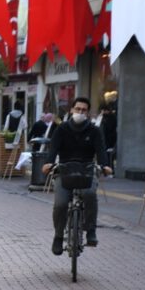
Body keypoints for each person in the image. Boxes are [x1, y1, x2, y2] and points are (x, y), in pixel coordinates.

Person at [42, 97, 113, 255]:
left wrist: (105, 165)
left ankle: (91, 231)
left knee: (89, 194)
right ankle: (59, 237)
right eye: (78, 109)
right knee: (60, 203)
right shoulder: (62, 129)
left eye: (84, 110)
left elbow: (101, 150)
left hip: (87, 170)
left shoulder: (94, 130)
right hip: (64, 170)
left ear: (88, 113)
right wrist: (48, 163)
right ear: (71, 110)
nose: (80, 112)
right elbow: (53, 149)